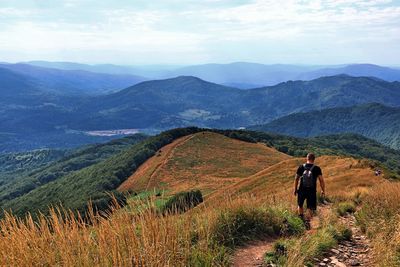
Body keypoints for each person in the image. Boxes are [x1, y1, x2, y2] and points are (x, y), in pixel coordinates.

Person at [294, 153, 325, 229]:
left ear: (306, 158)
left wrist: (295, 189)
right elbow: (321, 180)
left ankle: (301, 220)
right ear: (314, 159)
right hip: (312, 190)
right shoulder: (317, 168)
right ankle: (308, 223)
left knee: (300, 205)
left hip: (302, 189)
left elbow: (296, 179)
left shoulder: (301, 167)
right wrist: (323, 190)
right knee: (310, 207)